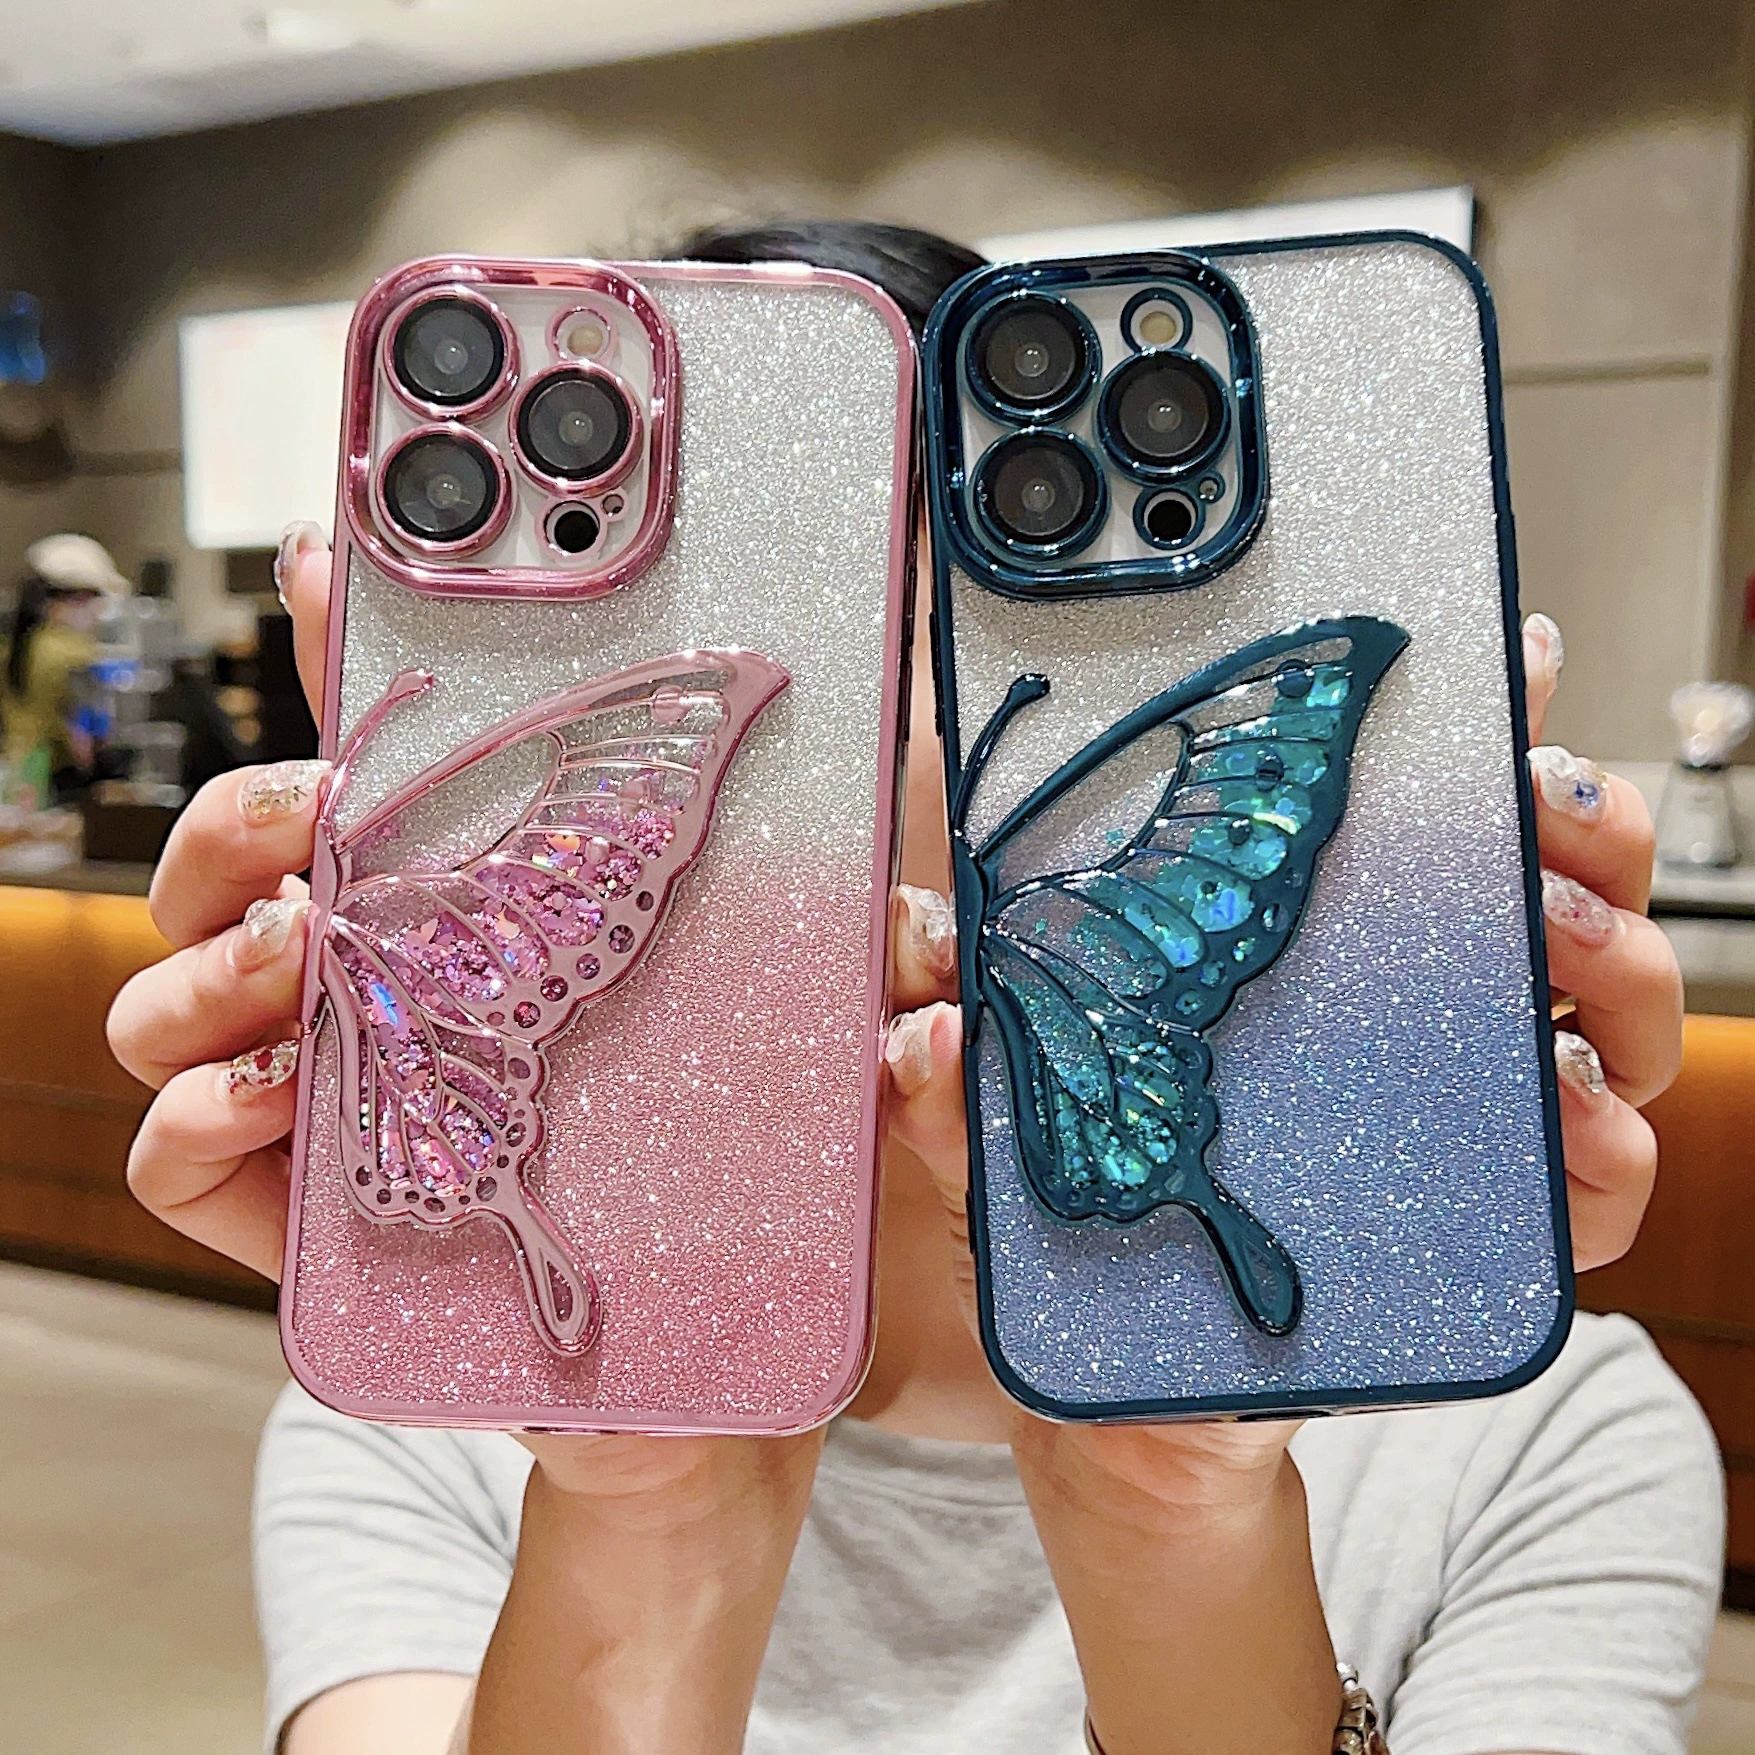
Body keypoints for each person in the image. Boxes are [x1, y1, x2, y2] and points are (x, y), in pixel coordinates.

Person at [107, 225, 1718, 1755]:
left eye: (885, 632)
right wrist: (647, 1506)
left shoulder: (1536, 1428)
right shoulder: (445, 1378)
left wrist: (1169, 1512)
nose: (822, 760)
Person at [3, 532, 128, 804]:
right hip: (54, 780)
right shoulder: (73, 652)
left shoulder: (22, 644)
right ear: (76, 599)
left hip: (18, 773)